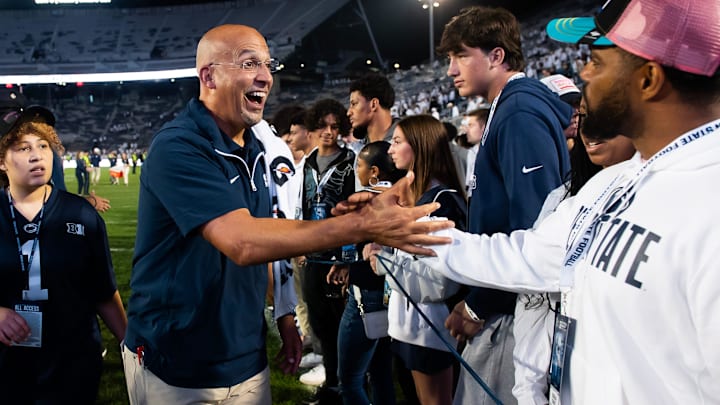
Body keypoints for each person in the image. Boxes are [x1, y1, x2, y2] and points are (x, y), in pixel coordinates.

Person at [398, 0, 720, 403]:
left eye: (597, 62)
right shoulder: (614, 182)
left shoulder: (708, 204)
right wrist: (403, 230)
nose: (583, 73)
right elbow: (525, 255)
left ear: (649, 78)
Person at [122, 24, 452, 405]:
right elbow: (242, 241)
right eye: (249, 63)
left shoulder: (255, 149)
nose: (265, 76)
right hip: (176, 363)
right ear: (208, 76)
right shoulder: (178, 146)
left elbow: (269, 233)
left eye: (267, 64)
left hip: (246, 355)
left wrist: (284, 317)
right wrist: (358, 225)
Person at [437, 6, 572, 404]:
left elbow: (535, 227)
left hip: (513, 309)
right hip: (503, 298)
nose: (450, 70)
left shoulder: (519, 112)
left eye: (460, 56)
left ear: (496, 56)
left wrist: (480, 306)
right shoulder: (507, 107)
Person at [0, 96, 127, 403]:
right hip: (7, 370)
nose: (37, 155)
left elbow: (103, 292)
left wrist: (131, 346)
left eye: (43, 145)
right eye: (23, 147)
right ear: (1, 161)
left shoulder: (82, 216)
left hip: (74, 366)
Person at [370, 115, 468, 405]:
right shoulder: (420, 196)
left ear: (420, 147)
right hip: (409, 325)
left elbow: (439, 282)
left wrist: (383, 261)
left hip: (430, 329)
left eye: (397, 142)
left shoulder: (442, 201)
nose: (390, 150)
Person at [333, 141, 405, 405]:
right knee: (381, 373)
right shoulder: (400, 197)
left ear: (374, 172)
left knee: (349, 380)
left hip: (367, 296)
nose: (356, 170)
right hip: (389, 292)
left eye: (359, 166)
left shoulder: (366, 201)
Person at [297, 98, 355, 399]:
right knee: (320, 323)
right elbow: (303, 205)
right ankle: (332, 381)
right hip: (314, 256)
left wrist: (347, 259)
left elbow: (356, 215)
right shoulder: (307, 162)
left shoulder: (351, 162)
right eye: (322, 126)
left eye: (334, 126)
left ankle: (349, 382)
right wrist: (301, 243)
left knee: (341, 326)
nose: (328, 132)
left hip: (338, 258)